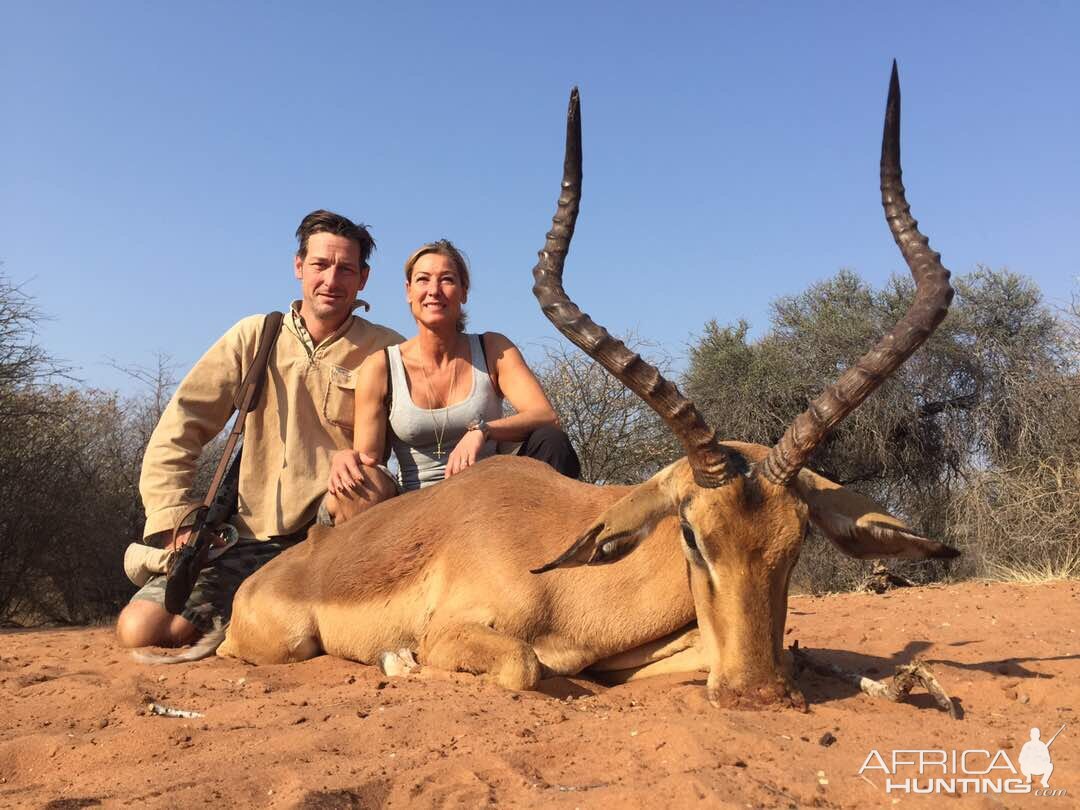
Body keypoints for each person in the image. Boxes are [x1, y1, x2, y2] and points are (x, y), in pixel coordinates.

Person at [116, 210, 405, 648]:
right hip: (249, 533)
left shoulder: (387, 348)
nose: (332, 278)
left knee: (364, 484)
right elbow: (180, 427)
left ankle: (342, 616)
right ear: (298, 267)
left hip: (332, 535)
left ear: (362, 279)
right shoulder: (256, 335)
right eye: (320, 265)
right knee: (144, 631)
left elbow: (428, 428)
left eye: (346, 268)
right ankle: (260, 621)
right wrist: (175, 521)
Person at [322, 239, 579, 525]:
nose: (434, 291)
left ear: (464, 292)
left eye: (447, 280)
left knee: (551, 441)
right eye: (422, 280)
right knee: (355, 487)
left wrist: (483, 430)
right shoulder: (381, 366)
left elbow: (546, 416)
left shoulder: (493, 348)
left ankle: (554, 553)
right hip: (415, 509)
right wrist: (346, 458)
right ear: (408, 291)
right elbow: (369, 459)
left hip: (492, 500)